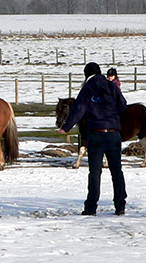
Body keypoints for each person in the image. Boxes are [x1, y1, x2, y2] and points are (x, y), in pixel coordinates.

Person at [59, 62, 128, 216]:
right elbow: (123, 105)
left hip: (96, 133)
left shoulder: (88, 87)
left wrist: (67, 126)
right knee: (116, 171)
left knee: (95, 172)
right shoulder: (111, 86)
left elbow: (79, 108)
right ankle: (120, 205)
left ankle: (91, 207)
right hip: (113, 133)